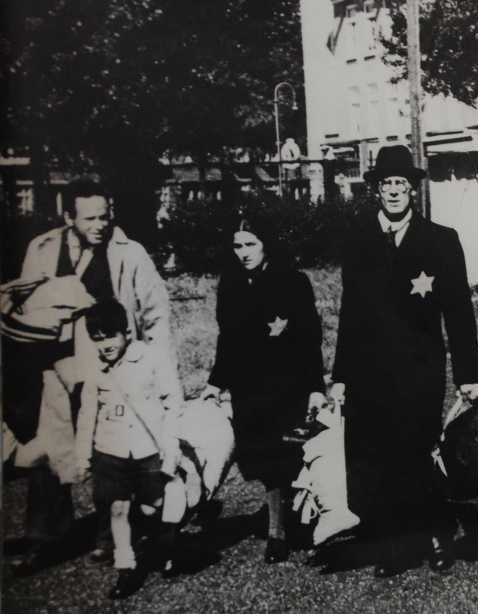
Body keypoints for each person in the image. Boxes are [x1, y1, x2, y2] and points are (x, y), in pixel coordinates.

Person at [328, 144, 478, 577]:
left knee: (419, 451)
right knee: (378, 457)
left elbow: (459, 313)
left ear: (413, 189)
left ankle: (436, 536)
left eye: (401, 183)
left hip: (420, 370)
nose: (394, 191)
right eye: (386, 183)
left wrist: (468, 375)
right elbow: (350, 314)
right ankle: (396, 544)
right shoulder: (359, 240)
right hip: (369, 373)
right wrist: (341, 377)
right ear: (376, 190)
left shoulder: (441, 241)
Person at [11, 178, 172, 574]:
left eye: (104, 217)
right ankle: (45, 539)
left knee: (110, 451)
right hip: (55, 366)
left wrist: (157, 371)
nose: (99, 225)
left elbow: (156, 314)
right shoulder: (42, 250)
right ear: (69, 217)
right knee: (50, 452)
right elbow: (26, 307)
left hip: (112, 368)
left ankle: (109, 535)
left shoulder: (129, 252)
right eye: (89, 219)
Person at [199, 213, 326, 564]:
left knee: (285, 455)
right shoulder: (230, 284)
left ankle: (278, 531)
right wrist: (215, 383)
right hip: (248, 388)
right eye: (237, 245)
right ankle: (284, 514)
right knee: (261, 458)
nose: (243, 252)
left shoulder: (293, 281)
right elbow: (226, 339)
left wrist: (316, 387)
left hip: (288, 385)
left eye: (250, 244)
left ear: (266, 244)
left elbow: (310, 339)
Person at [74, 299, 183, 599]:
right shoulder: (95, 368)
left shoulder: (149, 358)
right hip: (110, 449)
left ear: (126, 332)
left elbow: (173, 401)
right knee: (118, 508)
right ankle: (125, 567)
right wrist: (83, 455)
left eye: (110, 336)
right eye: (97, 339)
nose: (105, 345)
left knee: (154, 506)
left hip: (148, 448)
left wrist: (171, 445)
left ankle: (166, 547)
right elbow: (87, 413)